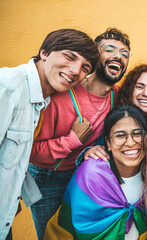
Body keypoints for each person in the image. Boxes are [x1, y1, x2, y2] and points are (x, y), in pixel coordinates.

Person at [28, 27, 131, 239]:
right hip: (47, 178)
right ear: (94, 57)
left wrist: (92, 149)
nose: (117, 56)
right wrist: (73, 140)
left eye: (124, 53)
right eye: (109, 49)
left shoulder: (119, 96)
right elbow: (31, 151)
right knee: (53, 235)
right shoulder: (62, 93)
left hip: (85, 174)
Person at [0, 28, 99, 239]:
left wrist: (13, 195)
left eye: (85, 68)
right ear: (44, 52)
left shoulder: (41, 99)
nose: (75, 70)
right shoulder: (8, 87)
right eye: (69, 57)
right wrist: (72, 140)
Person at [44, 105, 147, 239]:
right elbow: (67, 226)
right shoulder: (90, 175)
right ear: (108, 143)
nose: (130, 142)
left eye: (137, 133)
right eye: (120, 135)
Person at [83, 64, 147, 162]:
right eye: (140, 87)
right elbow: (102, 148)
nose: (146, 93)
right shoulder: (118, 120)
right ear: (130, 90)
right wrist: (92, 151)